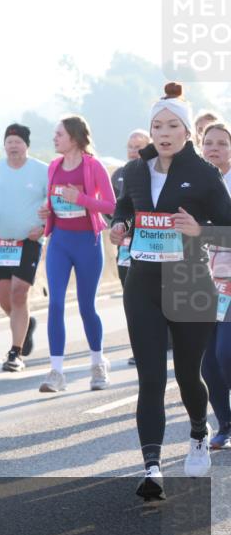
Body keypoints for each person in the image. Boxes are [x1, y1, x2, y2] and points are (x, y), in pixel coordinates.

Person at [110, 83, 231, 500]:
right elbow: (125, 205)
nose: (163, 132)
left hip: (189, 282)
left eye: (172, 125)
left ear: (186, 132)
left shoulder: (202, 174)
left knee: (186, 376)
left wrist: (200, 231)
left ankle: (199, 433)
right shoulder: (136, 170)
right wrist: (119, 225)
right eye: (157, 125)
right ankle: (152, 466)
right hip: (142, 280)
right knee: (149, 378)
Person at [37, 115, 116, 393]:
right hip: (60, 241)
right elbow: (54, 200)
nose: (54, 139)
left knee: (86, 307)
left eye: (59, 134)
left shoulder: (94, 167)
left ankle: (98, 363)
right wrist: (48, 211)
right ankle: (56, 372)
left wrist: (80, 199)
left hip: (87, 242)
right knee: (55, 304)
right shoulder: (53, 166)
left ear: (74, 137)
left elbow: (109, 205)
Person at [0, 123, 48, 372]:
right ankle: (25, 325)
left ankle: (15, 353)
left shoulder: (42, 170)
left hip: (28, 241)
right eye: (9, 141)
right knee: (3, 296)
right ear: (4, 145)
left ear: (26, 145)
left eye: (18, 141)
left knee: (19, 293)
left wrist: (44, 225)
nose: (13, 146)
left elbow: (55, 204)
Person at [201, 121, 231, 450]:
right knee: (206, 361)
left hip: (229, 280)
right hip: (196, 280)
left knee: (226, 354)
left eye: (222, 143)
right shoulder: (194, 182)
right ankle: (224, 423)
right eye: (209, 143)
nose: (214, 148)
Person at [113, 130, 151, 366]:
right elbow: (119, 207)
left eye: (139, 146)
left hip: (152, 247)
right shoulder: (121, 173)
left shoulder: (155, 171)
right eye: (130, 146)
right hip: (125, 249)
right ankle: (139, 348)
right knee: (132, 299)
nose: (133, 150)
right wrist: (118, 224)